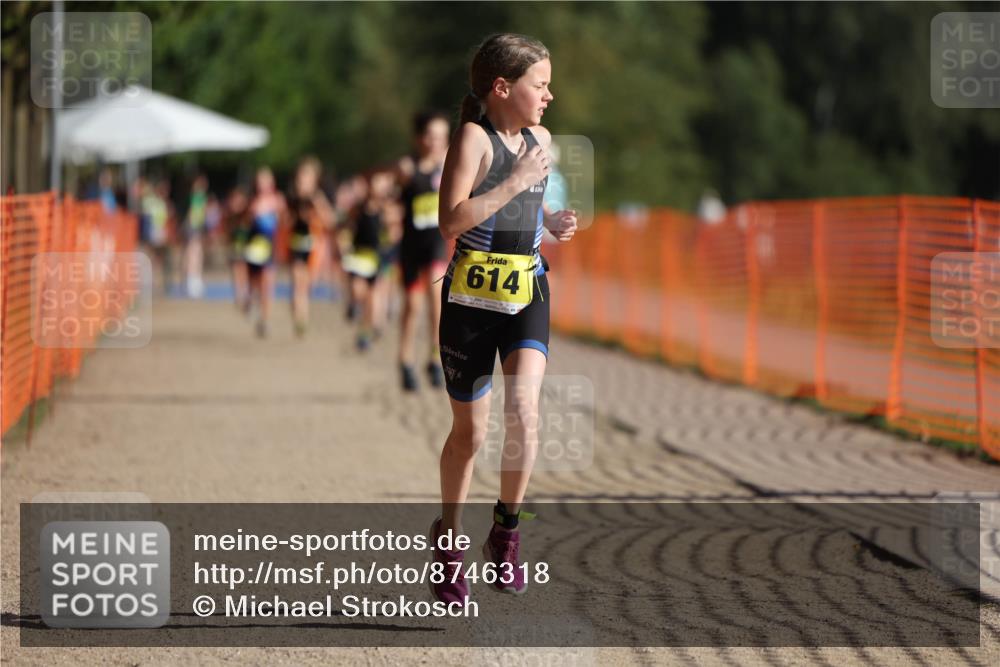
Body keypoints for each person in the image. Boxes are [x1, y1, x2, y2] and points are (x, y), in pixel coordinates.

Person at [430, 33, 577, 606]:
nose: (549, 95)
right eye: (540, 84)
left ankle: (506, 531)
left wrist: (553, 220)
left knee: (525, 412)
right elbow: (450, 221)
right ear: (502, 87)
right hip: (469, 303)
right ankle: (447, 544)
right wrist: (516, 181)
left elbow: (529, 207)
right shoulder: (473, 139)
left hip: (527, 291)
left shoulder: (541, 139)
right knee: (470, 435)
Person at [394, 111, 451, 391]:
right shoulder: (408, 168)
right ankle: (405, 360)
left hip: (437, 243)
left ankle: (434, 357)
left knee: (436, 298)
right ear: (419, 139)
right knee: (413, 305)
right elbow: (393, 197)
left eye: (442, 136)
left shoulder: (451, 167)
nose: (436, 142)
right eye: (431, 136)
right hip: (411, 246)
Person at [287, 157, 335, 337]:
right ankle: (300, 319)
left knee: (307, 285)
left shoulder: (318, 197)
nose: (303, 180)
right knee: (297, 281)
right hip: (296, 243)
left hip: (314, 245)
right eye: (301, 176)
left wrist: (316, 204)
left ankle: (302, 315)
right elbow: (285, 222)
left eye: (307, 176)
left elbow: (329, 220)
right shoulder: (291, 197)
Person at [244, 167, 287, 338]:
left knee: (267, 284)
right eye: (260, 181)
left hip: (270, 247)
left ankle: (265, 320)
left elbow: (285, 222)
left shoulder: (278, 201)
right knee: (254, 283)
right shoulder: (252, 201)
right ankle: (250, 300)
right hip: (254, 247)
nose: (263, 184)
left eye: (266, 181)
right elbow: (246, 223)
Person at [224, 186, 252, 312]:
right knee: (236, 270)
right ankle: (238, 295)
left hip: (246, 249)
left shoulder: (247, 216)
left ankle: (245, 295)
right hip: (234, 249)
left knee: (244, 271)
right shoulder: (229, 217)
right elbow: (227, 236)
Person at [183, 174, 209, 298]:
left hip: (196, 227)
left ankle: (193, 280)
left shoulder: (198, 197)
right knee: (193, 253)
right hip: (194, 227)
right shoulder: (197, 197)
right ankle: (192, 281)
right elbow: (194, 213)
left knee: (195, 253)